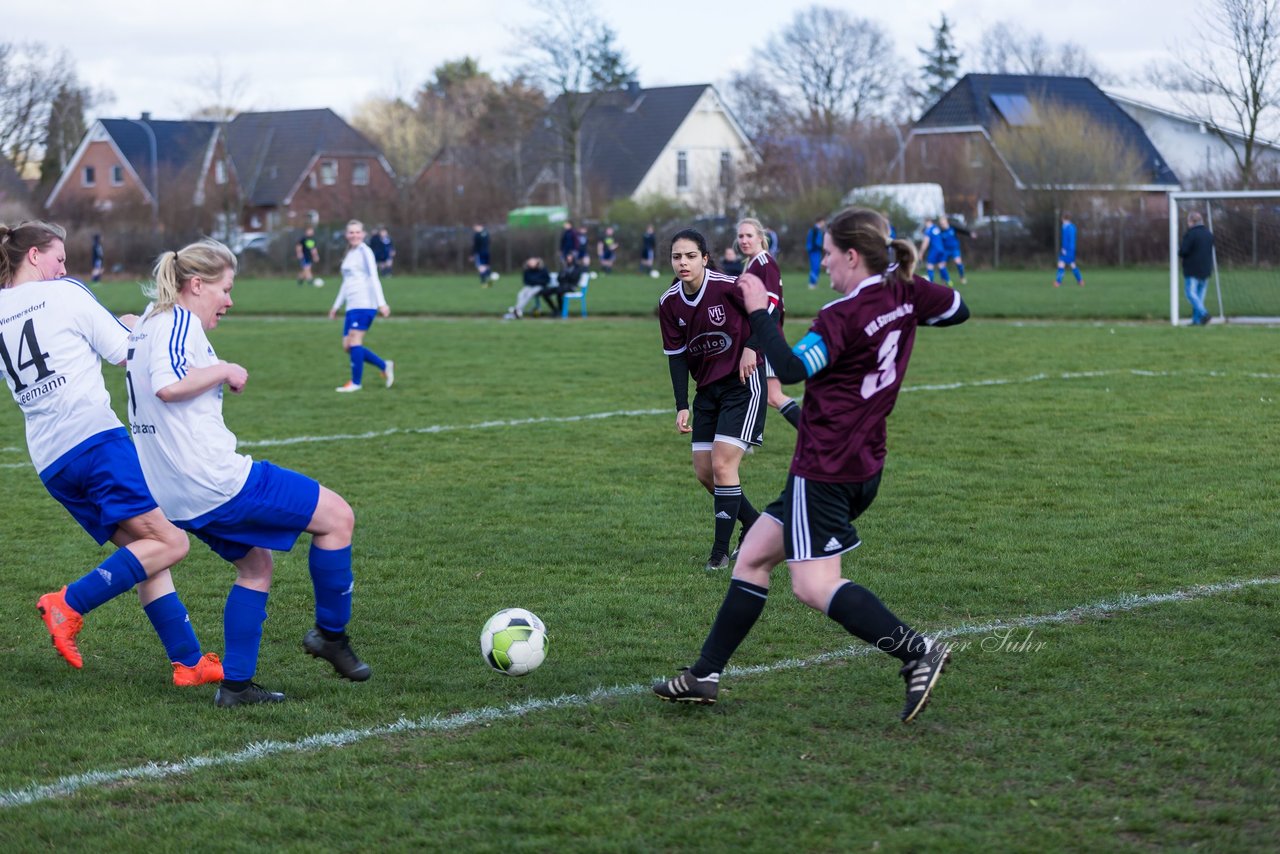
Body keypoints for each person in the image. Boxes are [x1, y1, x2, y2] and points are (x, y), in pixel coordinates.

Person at [653, 208, 970, 724]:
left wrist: (757, 311)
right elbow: (957, 310)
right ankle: (704, 675)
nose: (822, 264)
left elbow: (794, 367)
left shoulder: (840, 316)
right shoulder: (907, 291)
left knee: (812, 585)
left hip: (826, 465)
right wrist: (903, 295)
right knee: (753, 556)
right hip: (865, 458)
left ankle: (917, 650)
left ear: (851, 255)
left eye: (826, 254)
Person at [127, 238, 372, 707]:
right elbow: (167, 386)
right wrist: (224, 368)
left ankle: (236, 687)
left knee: (256, 566)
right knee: (338, 518)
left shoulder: (152, 323)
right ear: (196, 285)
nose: (230, 300)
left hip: (175, 492)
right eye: (225, 289)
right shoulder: (177, 321)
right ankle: (331, 635)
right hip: (216, 480)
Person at [0, 221, 221, 686]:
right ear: (35, 256)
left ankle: (188, 662)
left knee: (147, 551)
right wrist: (134, 325)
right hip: (94, 440)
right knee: (171, 542)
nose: (64, 268)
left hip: (51, 460)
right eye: (59, 258)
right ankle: (67, 604)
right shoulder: (65, 293)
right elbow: (124, 352)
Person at [658, 228, 765, 571]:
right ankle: (757, 524)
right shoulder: (669, 303)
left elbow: (769, 312)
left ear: (704, 258)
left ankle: (719, 554)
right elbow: (675, 356)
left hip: (742, 384)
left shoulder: (728, 286)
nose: (683, 262)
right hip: (707, 391)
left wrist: (752, 348)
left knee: (723, 465)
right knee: (706, 473)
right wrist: (681, 404)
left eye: (690, 256)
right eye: (677, 256)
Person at [737, 217, 801, 430]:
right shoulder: (752, 263)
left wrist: (754, 342)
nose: (744, 240)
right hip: (759, 339)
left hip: (766, 341)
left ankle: (813, 433)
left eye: (749, 235)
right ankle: (742, 442)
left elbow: (773, 307)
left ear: (760, 238)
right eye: (740, 236)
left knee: (772, 396)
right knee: (751, 391)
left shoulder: (764, 263)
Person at [330, 220, 394, 393]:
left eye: (357, 232)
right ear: (346, 235)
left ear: (363, 234)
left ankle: (355, 383)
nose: (354, 235)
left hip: (365, 303)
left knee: (355, 341)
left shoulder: (366, 252)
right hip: (352, 305)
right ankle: (384, 365)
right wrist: (336, 306)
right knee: (347, 346)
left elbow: (374, 277)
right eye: (351, 232)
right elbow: (346, 282)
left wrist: (382, 303)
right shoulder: (349, 253)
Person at [1179, 211, 1215, 325]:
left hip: (1192, 269)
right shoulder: (1208, 234)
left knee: (1190, 293)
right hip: (1206, 269)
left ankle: (1204, 314)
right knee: (1199, 296)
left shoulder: (1191, 234)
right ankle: (1196, 321)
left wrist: (1179, 251)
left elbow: (1184, 251)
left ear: (1191, 221)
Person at [1055, 212, 1084, 287]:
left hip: (1067, 249)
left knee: (1061, 264)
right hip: (1071, 249)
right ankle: (1080, 281)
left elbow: (1067, 240)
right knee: (1072, 265)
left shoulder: (1066, 227)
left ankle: (1058, 282)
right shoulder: (1072, 227)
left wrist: (1064, 249)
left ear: (1064, 219)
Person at [918, 216, 949, 284]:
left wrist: (921, 252)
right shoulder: (936, 228)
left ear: (927, 222)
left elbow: (926, 242)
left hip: (934, 250)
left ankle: (930, 283)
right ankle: (948, 281)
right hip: (941, 250)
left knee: (929, 265)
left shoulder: (929, 229)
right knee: (941, 266)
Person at [938, 215, 966, 285]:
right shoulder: (940, 231)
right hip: (945, 250)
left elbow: (963, 231)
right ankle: (943, 280)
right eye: (941, 223)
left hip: (954, 249)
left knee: (958, 263)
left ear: (946, 222)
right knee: (941, 265)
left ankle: (962, 277)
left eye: (943, 222)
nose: (942, 224)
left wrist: (970, 234)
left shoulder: (952, 228)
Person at [805, 216, 825, 288]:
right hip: (814, 251)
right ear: (819, 222)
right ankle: (812, 283)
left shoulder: (818, 230)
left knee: (816, 267)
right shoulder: (815, 230)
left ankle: (814, 283)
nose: (824, 223)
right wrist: (819, 247)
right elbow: (813, 242)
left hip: (816, 251)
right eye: (823, 222)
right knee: (815, 267)